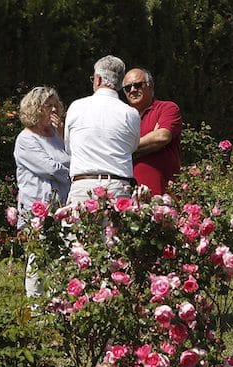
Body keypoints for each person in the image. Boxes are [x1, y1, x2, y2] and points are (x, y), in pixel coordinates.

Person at [13, 86, 71, 297]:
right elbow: (50, 168)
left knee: (61, 258)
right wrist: (75, 170)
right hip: (38, 208)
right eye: (48, 105)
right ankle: (36, 308)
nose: (54, 109)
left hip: (62, 205)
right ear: (35, 108)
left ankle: (56, 304)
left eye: (56, 104)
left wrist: (64, 131)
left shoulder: (57, 135)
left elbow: (75, 153)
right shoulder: (26, 139)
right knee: (38, 258)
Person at [64, 55, 140, 204]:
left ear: (98, 79)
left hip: (82, 187)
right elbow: (132, 147)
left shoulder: (76, 107)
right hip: (118, 188)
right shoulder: (130, 113)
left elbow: (69, 148)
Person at [122, 67, 183, 196]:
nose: (133, 90)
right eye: (127, 88)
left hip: (162, 197)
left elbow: (161, 137)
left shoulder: (167, 108)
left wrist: (125, 151)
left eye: (138, 85)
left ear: (150, 86)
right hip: (128, 198)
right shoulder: (122, 117)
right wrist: (147, 144)